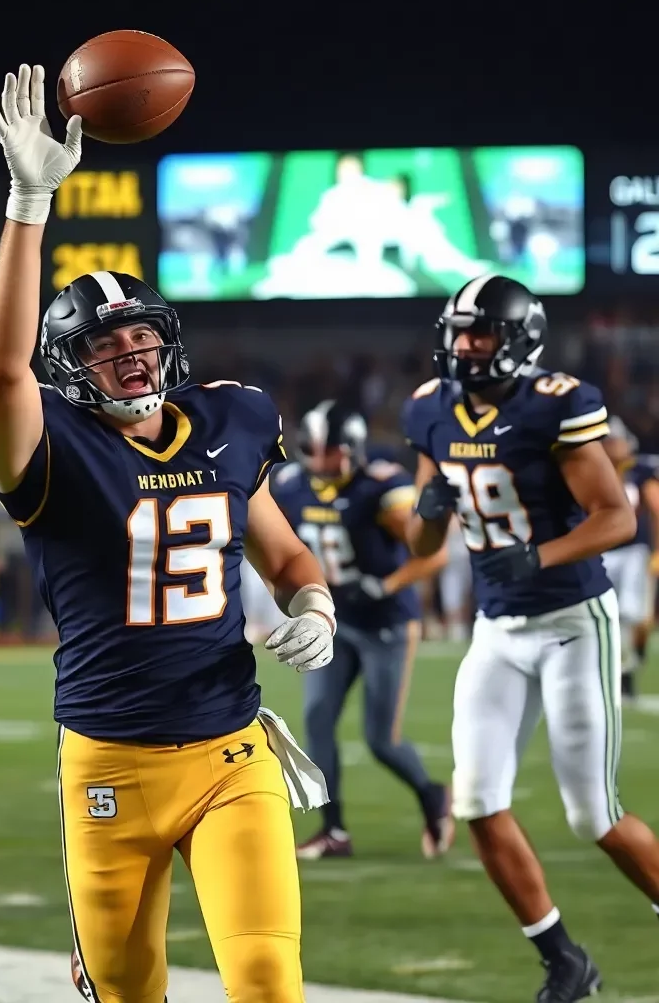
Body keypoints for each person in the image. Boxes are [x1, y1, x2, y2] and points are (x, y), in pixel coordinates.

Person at [0, 62, 335, 1003]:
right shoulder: (48, 446)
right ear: (71, 366)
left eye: (141, 335)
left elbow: (283, 547)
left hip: (228, 750)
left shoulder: (228, 421)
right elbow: (4, 377)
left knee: (267, 980)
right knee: (133, 994)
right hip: (109, 760)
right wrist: (28, 202)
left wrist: (314, 602)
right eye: (105, 343)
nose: (131, 352)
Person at [404, 274, 659, 1002]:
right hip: (497, 626)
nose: (466, 345)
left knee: (593, 815)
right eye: (458, 332)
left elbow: (617, 518)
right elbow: (423, 541)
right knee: (477, 802)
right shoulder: (428, 410)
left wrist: (540, 555)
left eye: (481, 333)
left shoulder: (557, 405)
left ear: (518, 339)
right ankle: (563, 960)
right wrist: (426, 509)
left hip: (573, 622)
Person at [270, 400, 452, 860]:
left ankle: (432, 795)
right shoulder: (291, 486)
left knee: (381, 740)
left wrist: (386, 584)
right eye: (311, 450)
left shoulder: (382, 488)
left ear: (352, 450)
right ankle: (334, 830)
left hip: (385, 623)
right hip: (332, 622)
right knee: (316, 720)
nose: (319, 460)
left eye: (328, 451)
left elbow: (434, 553)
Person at [600, 417, 659, 701]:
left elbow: (657, 508)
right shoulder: (593, 470)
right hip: (600, 551)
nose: (612, 445)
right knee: (604, 614)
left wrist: (657, 552)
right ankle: (613, 671)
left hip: (634, 551)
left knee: (633, 614)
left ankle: (629, 666)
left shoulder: (638, 472)